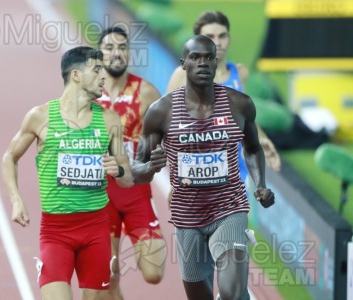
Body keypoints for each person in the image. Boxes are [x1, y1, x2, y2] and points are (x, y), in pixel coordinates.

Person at [132, 35, 275, 300]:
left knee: (232, 293)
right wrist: (151, 166)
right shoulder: (161, 111)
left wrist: (261, 185)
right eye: (195, 58)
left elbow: (253, 148)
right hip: (187, 218)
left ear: (215, 60)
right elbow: (136, 172)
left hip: (229, 209)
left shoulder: (239, 104)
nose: (202, 63)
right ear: (183, 64)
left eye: (208, 57)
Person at [1, 46, 133, 300]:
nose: (103, 77)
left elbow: (127, 178)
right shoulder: (40, 117)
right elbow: (10, 157)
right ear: (76, 75)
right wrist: (16, 200)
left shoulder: (109, 120)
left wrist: (117, 169)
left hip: (96, 229)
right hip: (56, 231)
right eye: (96, 71)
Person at [94, 26, 166, 300]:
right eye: (110, 48)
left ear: (128, 53)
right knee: (107, 278)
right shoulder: (88, 94)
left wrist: (174, 183)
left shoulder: (146, 93)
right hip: (100, 196)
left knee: (154, 272)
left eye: (122, 47)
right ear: (99, 55)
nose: (116, 53)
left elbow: (171, 135)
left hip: (136, 192)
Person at [167, 10, 281, 173]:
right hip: (197, 172)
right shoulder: (183, 75)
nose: (218, 42)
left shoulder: (240, 73)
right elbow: (166, 125)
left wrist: (262, 139)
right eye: (210, 37)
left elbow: (246, 119)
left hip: (236, 173)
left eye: (222, 36)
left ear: (229, 39)